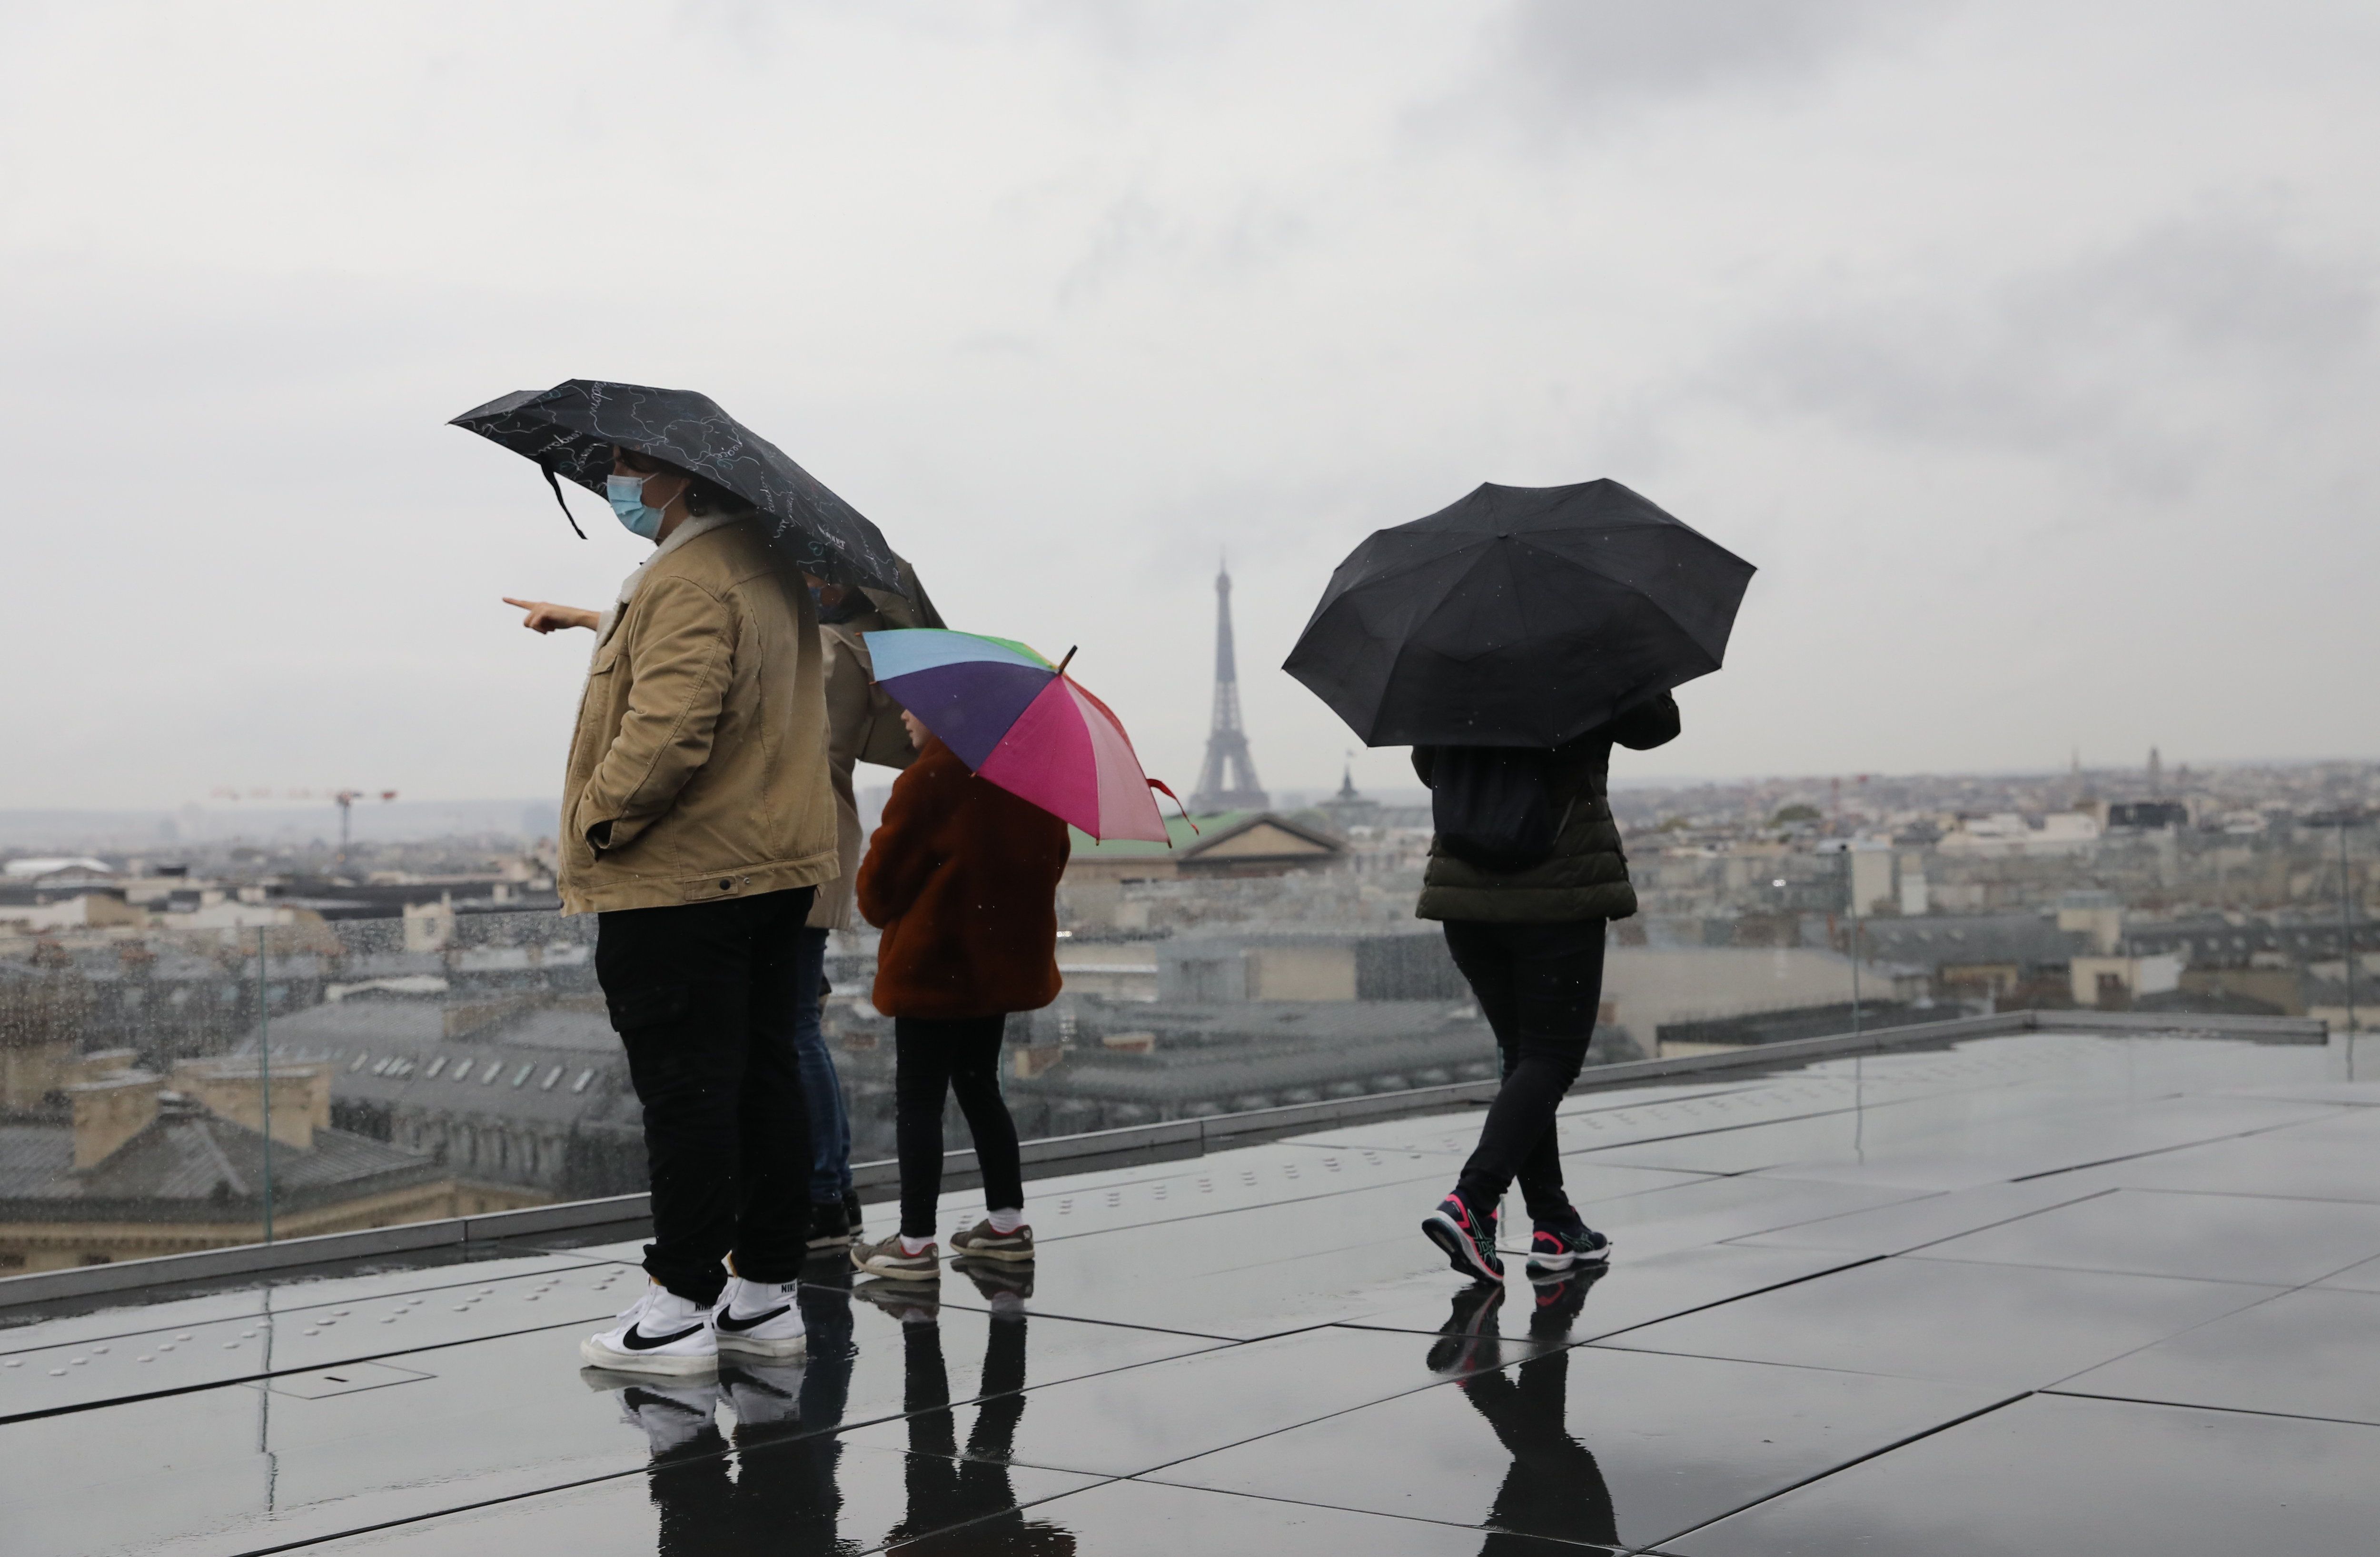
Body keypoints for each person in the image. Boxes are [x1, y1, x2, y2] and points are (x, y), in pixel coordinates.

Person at [506, 444, 838, 1373]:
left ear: (680, 479)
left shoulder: (691, 578)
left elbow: (668, 733)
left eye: (627, 470)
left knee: (686, 1093)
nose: (615, 486)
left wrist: (599, 825)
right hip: (771, 869)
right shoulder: (768, 568)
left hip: (687, 876)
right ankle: (763, 1298)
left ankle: (678, 1306)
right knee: (765, 1079)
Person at [1414, 692, 1681, 1283]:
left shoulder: (1455, 663)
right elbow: (1656, 726)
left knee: (1525, 1060)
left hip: (1465, 897)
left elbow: (1428, 766)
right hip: (1555, 893)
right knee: (1549, 1058)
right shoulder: (1584, 660)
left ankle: (1554, 1224)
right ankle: (1472, 1201)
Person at [847, 709, 1070, 1280]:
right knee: (979, 1087)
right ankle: (1005, 1224)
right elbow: (1052, 862)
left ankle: (915, 1242)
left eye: (912, 705)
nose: (901, 714)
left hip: (932, 968)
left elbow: (876, 895)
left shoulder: (927, 780)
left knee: (918, 1101)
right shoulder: (1031, 780)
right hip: (995, 969)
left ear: (945, 712)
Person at [794, 565, 939, 1251]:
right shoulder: (872, 650)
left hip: (792, 847)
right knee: (797, 1020)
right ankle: (830, 1192)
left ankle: (822, 1194)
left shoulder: (829, 651)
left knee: (789, 1025)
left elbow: (802, 748)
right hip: (820, 850)